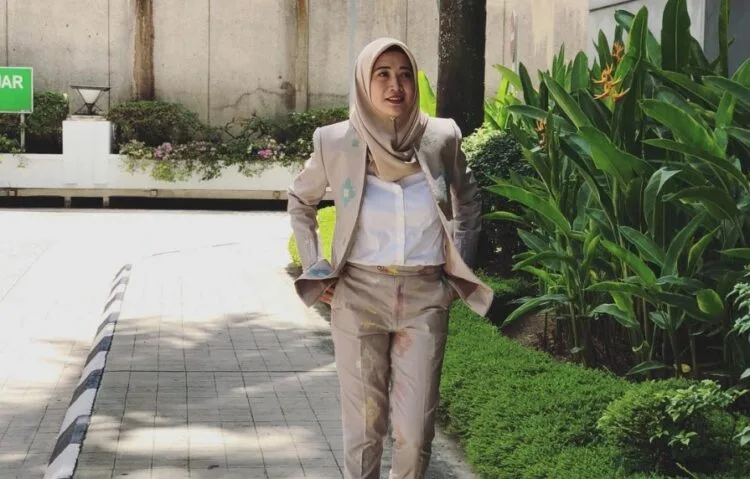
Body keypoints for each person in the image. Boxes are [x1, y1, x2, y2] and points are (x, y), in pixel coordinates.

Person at [287, 37, 494, 479]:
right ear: (364, 81)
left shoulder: (441, 136)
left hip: (425, 297)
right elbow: (301, 201)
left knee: (415, 434)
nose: (395, 85)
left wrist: (457, 269)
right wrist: (317, 267)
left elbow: (468, 200)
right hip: (358, 297)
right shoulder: (335, 141)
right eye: (382, 74)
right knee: (365, 430)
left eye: (404, 74)